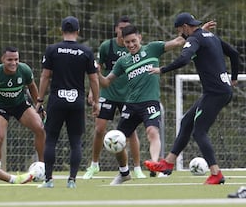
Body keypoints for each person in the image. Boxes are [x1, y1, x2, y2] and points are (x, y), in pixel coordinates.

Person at [144, 12, 239, 185]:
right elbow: (233, 53)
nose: (181, 35)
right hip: (221, 90)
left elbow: (184, 59)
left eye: (180, 31)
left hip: (215, 93)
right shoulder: (210, 36)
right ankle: (168, 163)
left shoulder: (194, 39)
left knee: (199, 131)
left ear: (185, 27)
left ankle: (216, 173)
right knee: (187, 121)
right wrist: (233, 78)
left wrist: (162, 70)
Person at [98, 25, 186, 185]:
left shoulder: (153, 48)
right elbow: (106, 83)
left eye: (133, 41)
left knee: (152, 131)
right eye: (127, 43)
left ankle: (154, 165)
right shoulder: (122, 61)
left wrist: (197, 31)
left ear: (140, 38)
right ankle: (124, 173)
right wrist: (95, 72)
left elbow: (178, 41)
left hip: (150, 101)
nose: (131, 45)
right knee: (117, 140)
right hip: (131, 104)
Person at [36, 16, 100, 188]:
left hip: (57, 100)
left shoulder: (52, 50)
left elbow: (45, 76)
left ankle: (48, 180)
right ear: (78, 32)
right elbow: (93, 79)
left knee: (50, 140)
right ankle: (71, 180)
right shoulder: (86, 51)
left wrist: (39, 100)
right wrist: (96, 101)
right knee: (75, 142)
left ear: (61, 30)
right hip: (77, 101)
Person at [83, 16, 146, 180]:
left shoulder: (135, 47)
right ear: (115, 29)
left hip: (129, 95)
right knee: (99, 129)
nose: (124, 30)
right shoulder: (106, 46)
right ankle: (94, 165)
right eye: (121, 28)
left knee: (131, 132)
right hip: (108, 93)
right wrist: (92, 91)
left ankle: (138, 168)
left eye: (127, 27)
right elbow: (96, 70)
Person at [0, 46, 46, 167]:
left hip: (20, 105)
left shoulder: (24, 70)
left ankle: (42, 166)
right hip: (1, 107)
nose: (13, 63)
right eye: (10, 60)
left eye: (16, 59)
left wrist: (39, 106)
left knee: (40, 128)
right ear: (3, 59)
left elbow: (32, 87)